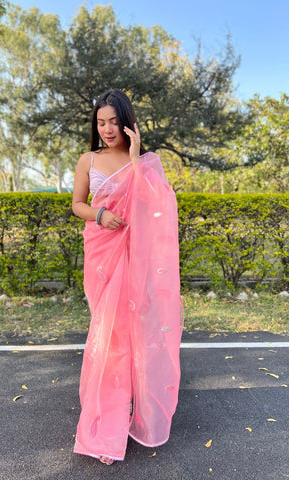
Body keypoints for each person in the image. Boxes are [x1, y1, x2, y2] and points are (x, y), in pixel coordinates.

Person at [72, 89, 183, 465]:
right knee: (108, 339)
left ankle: (125, 418)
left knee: (131, 336)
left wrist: (135, 162)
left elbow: (160, 202)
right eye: (100, 122)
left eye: (113, 121)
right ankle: (108, 421)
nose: (106, 129)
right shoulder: (88, 160)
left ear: (126, 121)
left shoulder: (145, 162)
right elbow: (77, 205)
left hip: (135, 261)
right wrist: (100, 216)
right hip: (102, 257)